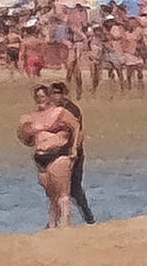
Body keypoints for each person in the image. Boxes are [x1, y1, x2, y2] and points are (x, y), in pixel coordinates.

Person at [18, 84, 80, 228]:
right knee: (51, 195)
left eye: (43, 96)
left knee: (62, 192)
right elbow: (25, 138)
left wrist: (74, 148)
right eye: (38, 97)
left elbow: (76, 127)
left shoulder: (60, 112)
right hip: (40, 157)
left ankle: (65, 223)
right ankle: (52, 222)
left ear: (49, 97)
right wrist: (25, 131)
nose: (40, 100)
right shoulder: (32, 117)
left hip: (58, 154)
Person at [48, 81, 96, 225]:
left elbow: (77, 131)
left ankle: (88, 218)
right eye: (53, 93)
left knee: (74, 188)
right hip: (56, 153)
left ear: (63, 94)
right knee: (55, 188)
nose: (55, 97)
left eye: (58, 93)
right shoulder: (49, 110)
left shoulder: (71, 109)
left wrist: (74, 150)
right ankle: (56, 221)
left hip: (73, 153)